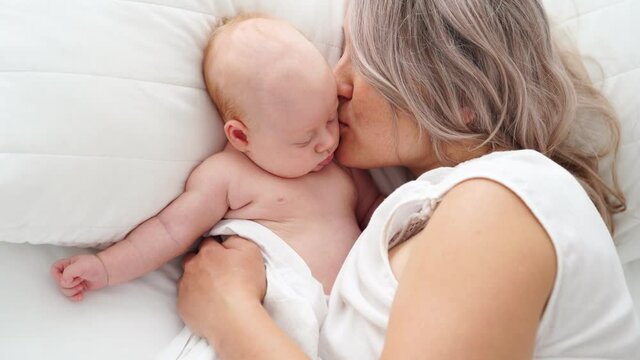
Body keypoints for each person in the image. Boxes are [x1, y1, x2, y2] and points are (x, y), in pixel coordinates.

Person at [176, 1, 640, 359]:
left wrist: (230, 312)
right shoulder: (446, 211)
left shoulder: (502, 199)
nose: (335, 82)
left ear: (461, 94)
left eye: (362, 58)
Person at [50, 14, 381, 302]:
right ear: (241, 136)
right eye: (305, 138)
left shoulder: (340, 167)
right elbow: (169, 231)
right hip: (291, 306)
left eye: (330, 118)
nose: (327, 142)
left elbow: (377, 212)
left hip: (363, 300)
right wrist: (107, 268)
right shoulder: (227, 176)